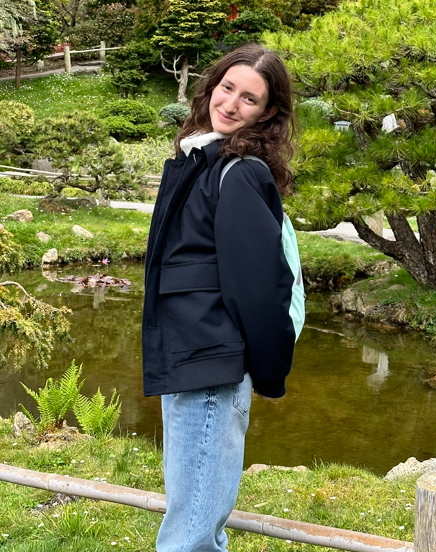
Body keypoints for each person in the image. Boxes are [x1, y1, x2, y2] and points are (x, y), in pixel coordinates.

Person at [142, 43, 297, 552]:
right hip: (190, 359)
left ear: (268, 113)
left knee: (189, 538)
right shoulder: (202, 160)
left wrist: (270, 373)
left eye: (248, 99)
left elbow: (257, 286)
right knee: (193, 522)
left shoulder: (240, 172)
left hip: (211, 367)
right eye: (227, 88)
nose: (230, 104)